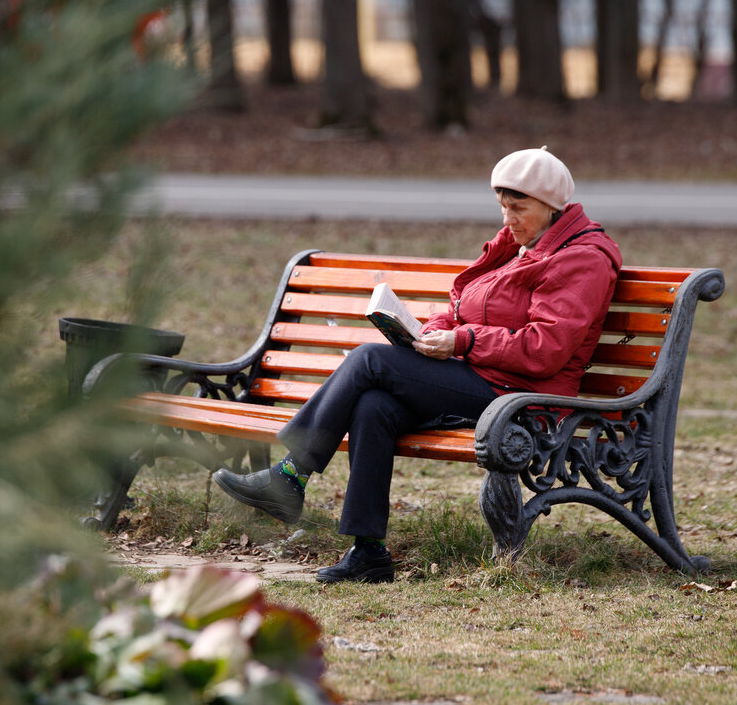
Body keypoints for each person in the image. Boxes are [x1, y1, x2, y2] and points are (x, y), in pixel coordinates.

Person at [211, 147, 623, 583]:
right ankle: (367, 552)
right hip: (485, 377)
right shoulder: (520, 245)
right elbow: (464, 302)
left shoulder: (583, 258)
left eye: (518, 208)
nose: (507, 219)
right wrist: (431, 331)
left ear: (553, 206)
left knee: (369, 359)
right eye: (503, 206)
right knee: (373, 405)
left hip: (523, 397)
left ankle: (290, 475)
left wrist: (462, 340)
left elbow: (545, 348)